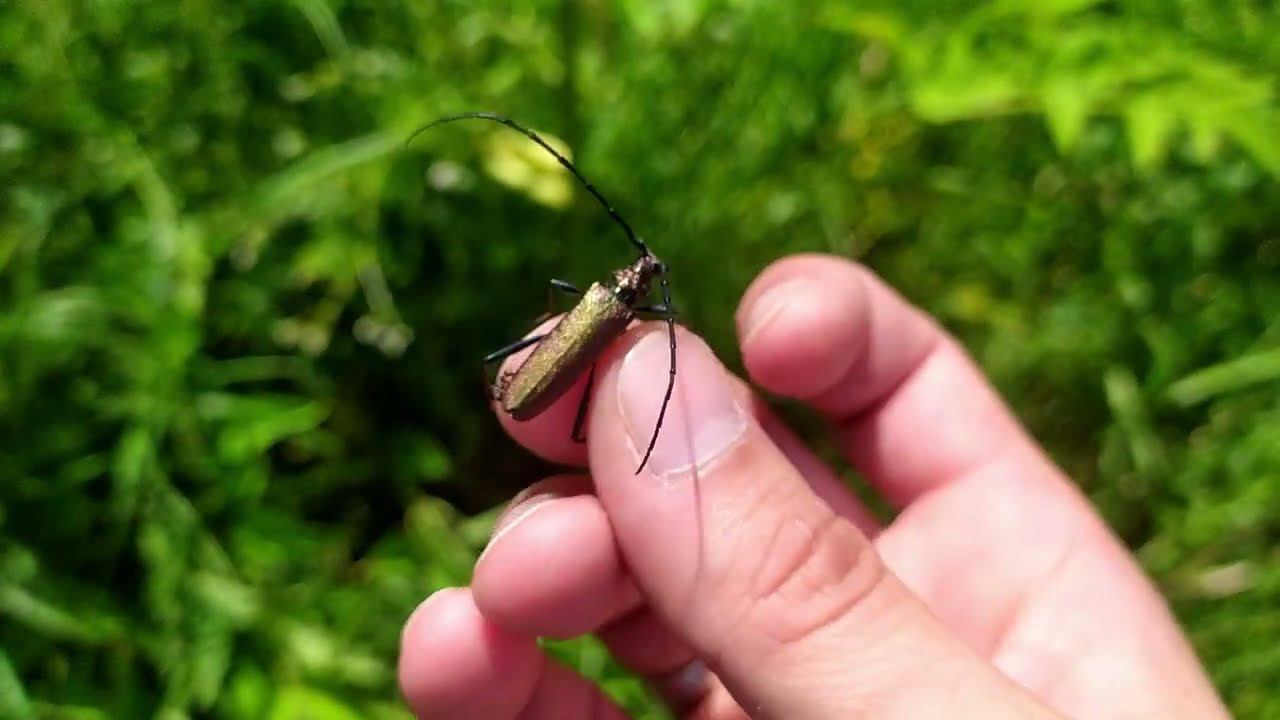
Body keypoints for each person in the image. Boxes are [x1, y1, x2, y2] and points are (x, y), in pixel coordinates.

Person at [397, 254, 1229, 718]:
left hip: (558, 375)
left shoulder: (611, 313)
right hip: (559, 373)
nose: (640, 283)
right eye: (641, 278)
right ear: (634, 287)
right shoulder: (618, 315)